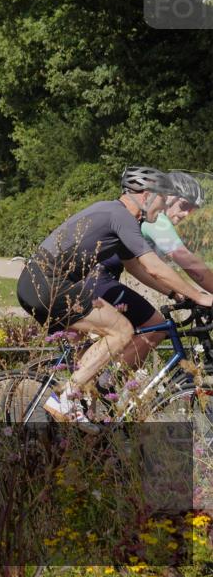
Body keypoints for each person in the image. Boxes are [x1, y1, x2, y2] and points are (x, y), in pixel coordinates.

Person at [15, 166, 213, 429]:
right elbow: (155, 267)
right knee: (121, 330)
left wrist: (174, 293)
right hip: (47, 284)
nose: (164, 206)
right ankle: (67, 398)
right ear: (146, 196)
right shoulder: (120, 216)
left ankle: (84, 404)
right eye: (162, 199)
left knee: (104, 345)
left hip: (40, 284)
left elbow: (136, 268)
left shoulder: (117, 215)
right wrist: (200, 296)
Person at [94, 171, 211, 368]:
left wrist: (174, 293)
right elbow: (188, 263)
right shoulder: (155, 221)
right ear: (167, 197)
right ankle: (108, 384)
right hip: (97, 280)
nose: (186, 214)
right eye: (184, 205)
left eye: (193, 210)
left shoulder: (143, 220)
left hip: (92, 281)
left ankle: (98, 381)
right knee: (156, 327)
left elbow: (142, 268)